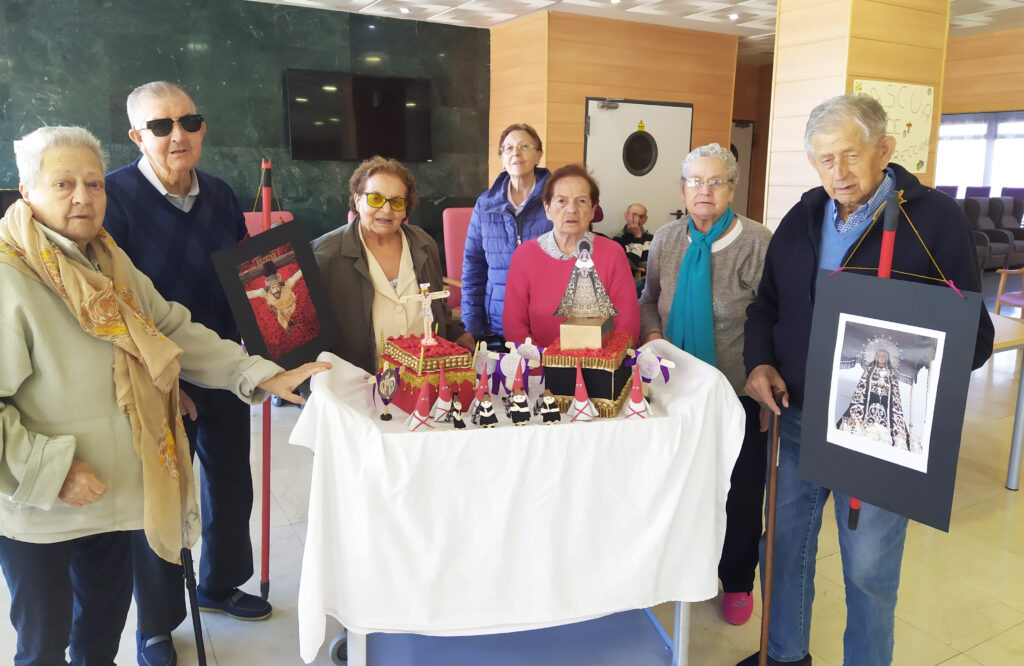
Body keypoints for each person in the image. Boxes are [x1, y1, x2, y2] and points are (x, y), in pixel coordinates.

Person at [0, 126, 328, 666]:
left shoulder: (109, 262)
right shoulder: (10, 277)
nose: (83, 197)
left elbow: (171, 326)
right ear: (26, 190)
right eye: (63, 184)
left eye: (93, 184)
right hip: (43, 510)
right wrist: (51, 470)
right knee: (42, 649)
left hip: (114, 499)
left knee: (99, 637)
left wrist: (259, 373)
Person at [740, 94, 993, 666]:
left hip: (877, 435)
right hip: (796, 414)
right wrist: (759, 363)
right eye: (825, 159)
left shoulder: (935, 221)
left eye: (850, 155)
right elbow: (765, 307)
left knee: (869, 571)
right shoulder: (803, 217)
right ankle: (785, 655)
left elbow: (972, 337)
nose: (839, 172)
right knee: (782, 550)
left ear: (884, 149)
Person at [102, 81, 276, 665]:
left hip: (220, 363)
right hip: (155, 374)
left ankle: (219, 585)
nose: (177, 135)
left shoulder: (221, 194)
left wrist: (276, 346)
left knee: (230, 481)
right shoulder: (113, 199)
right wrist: (162, 381)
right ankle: (155, 625)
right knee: (162, 499)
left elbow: (249, 278)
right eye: (161, 126)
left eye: (188, 121)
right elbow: (117, 306)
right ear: (137, 136)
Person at [639, 142, 771, 627]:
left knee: (740, 490)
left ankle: (736, 580)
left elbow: (772, 316)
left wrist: (765, 379)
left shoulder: (757, 242)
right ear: (682, 189)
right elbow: (649, 299)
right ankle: (677, 569)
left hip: (735, 392)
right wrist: (652, 337)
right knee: (677, 483)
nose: (704, 190)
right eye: (695, 181)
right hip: (673, 389)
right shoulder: (666, 239)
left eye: (716, 181)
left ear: (732, 189)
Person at [313, 156, 474, 375]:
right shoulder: (325, 254)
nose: (387, 209)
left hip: (423, 378)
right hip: (357, 381)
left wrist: (455, 333)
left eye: (397, 202)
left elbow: (437, 307)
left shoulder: (424, 243)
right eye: (375, 199)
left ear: (406, 208)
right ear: (357, 201)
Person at [503, 163, 640, 347]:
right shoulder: (525, 255)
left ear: (592, 210)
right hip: (538, 362)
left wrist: (600, 361)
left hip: (602, 362)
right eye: (561, 201)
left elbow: (627, 326)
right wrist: (546, 362)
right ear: (547, 209)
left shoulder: (613, 253)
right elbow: (514, 326)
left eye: (581, 201)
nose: (572, 209)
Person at [461, 123, 552, 346]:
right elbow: (473, 267)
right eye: (508, 148)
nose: (516, 153)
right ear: (501, 158)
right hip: (496, 324)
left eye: (524, 146)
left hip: (546, 323)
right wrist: (471, 327)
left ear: (539, 154)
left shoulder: (555, 200)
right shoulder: (485, 204)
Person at [837, 338, 912, 450]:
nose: (881, 358)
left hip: (886, 403)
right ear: (876, 356)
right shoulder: (869, 369)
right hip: (869, 400)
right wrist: (875, 383)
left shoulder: (891, 373)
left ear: (887, 358)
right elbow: (863, 386)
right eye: (879, 356)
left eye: (884, 356)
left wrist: (885, 385)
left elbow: (894, 392)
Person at [246, 266, 304, 331]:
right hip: (281, 311)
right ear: (269, 288)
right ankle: (287, 326)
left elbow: (296, 276)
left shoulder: (287, 285)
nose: (276, 290)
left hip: (291, 306)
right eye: (273, 288)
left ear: (281, 285)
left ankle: (288, 319)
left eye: (277, 286)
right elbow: (252, 293)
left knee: (288, 316)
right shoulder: (265, 292)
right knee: (283, 320)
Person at [613, 203, 654, 292]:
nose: (637, 220)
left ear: (645, 219)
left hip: (652, 279)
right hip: (633, 282)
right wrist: (638, 237)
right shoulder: (618, 239)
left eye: (641, 216)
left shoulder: (652, 238)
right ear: (626, 216)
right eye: (634, 215)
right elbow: (630, 265)